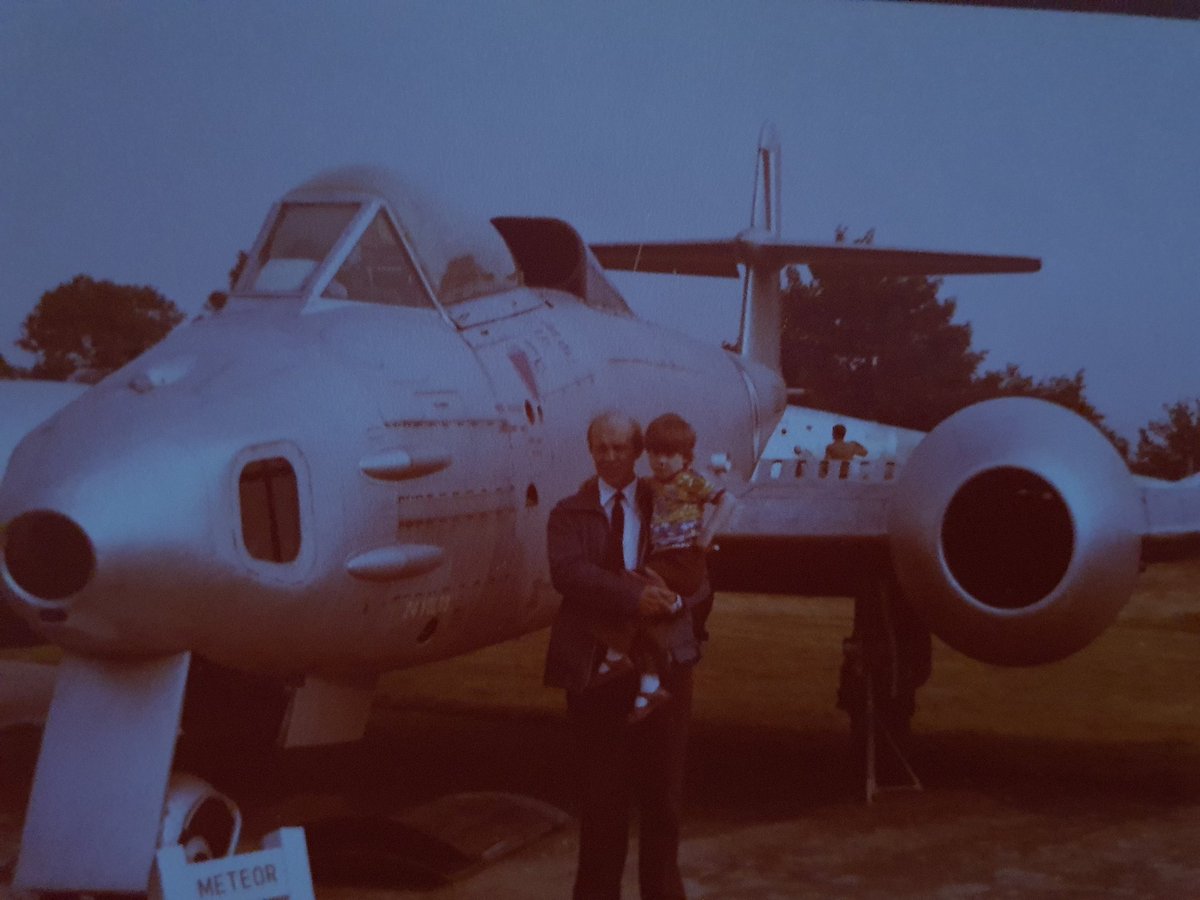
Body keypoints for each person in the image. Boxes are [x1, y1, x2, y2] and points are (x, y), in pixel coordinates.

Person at [544, 411, 702, 900]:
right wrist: (634, 598)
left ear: (639, 451)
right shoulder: (569, 513)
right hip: (597, 676)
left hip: (664, 672)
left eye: (619, 447)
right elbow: (569, 574)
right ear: (590, 451)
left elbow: (697, 569)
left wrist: (679, 601)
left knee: (663, 806)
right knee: (602, 810)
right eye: (600, 448)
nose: (609, 456)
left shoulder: (670, 502)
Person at [591, 413, 734, 721]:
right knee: (645, 615)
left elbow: (728, 500)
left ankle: (619, 651)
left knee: (635, 587)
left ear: (686, 458)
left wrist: (707, 534)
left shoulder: (690, 481)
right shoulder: (652, 484)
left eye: (669, 455)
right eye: (655, 454)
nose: (661, 461)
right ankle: (649, 684)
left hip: (683, 560)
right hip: (663, 558)